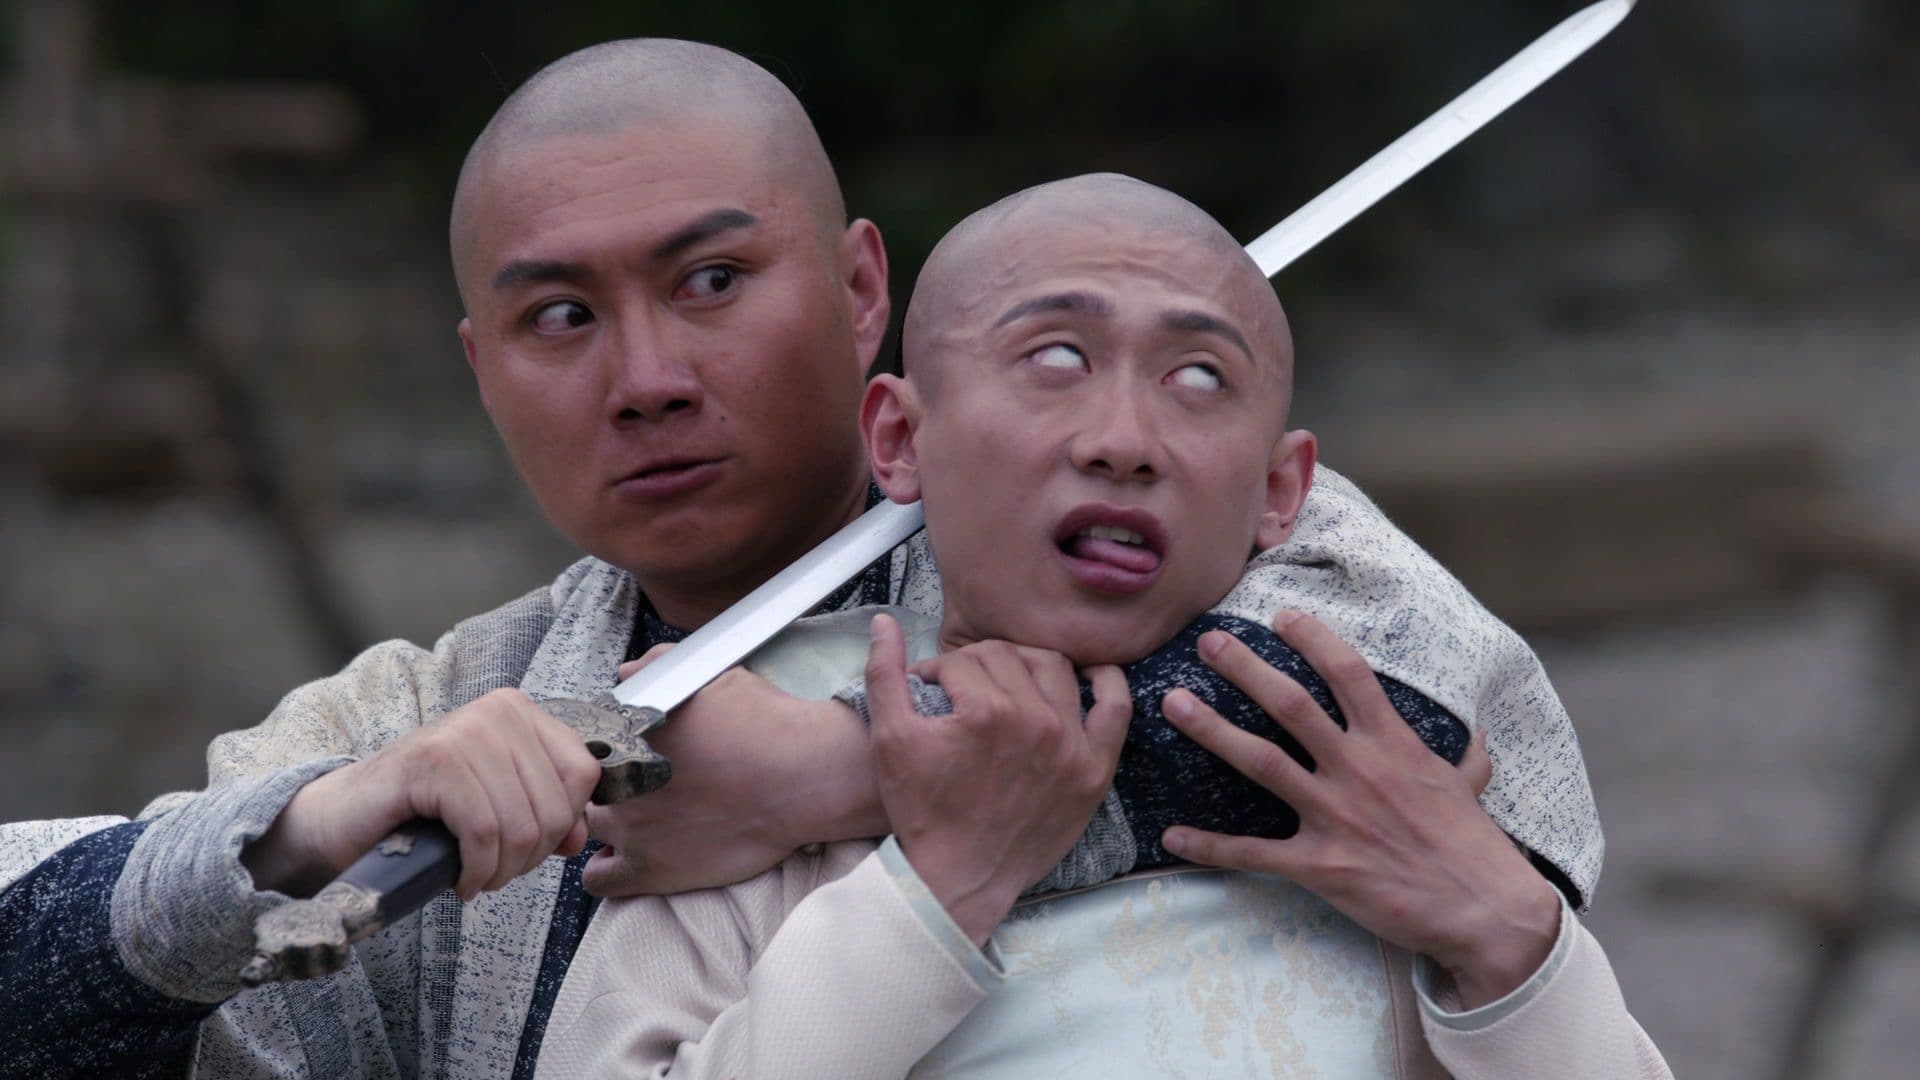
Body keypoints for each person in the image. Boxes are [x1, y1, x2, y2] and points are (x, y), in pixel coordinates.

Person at [0, 41, 1598, 1077]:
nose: (646, 378)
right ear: (482, 370)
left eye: (712, 281)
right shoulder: (457, 716)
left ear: (857, 295)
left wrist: (839, 774)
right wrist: (301, 838)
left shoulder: (1148, 509)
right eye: (561, 317)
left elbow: (1444, 741)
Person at [535, 173, 1668, 1079]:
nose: (1123, 440)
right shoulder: (740, 754)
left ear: (1280, 493)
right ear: (900, 440)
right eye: (1058, 359)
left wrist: (1510, 945)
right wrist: (934, 891)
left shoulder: (1356, 758)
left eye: (1198, 379)